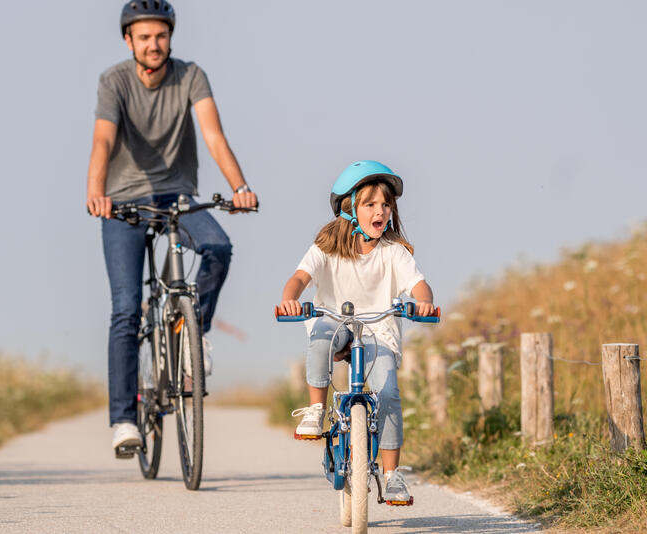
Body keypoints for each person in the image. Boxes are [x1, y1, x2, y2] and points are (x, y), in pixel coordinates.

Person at [86, 0, 258, 454]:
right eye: (144, 37)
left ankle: (190, 332)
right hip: (122, 202)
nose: (153, 44)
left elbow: (214, 136)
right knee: (126, 308)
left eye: (160, 36)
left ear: (170, 38)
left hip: (177, 196)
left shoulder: (191, 76)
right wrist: (96, 190)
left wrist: (239, 187)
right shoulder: (114, 81)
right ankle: (124, 419)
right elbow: (103, 138)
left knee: (218, 248)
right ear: (129, 41)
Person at [276, 160, 434, 504]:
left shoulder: (394, 253)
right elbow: (301, 277)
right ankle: (316, 410)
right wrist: (290, 298)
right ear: (350, 210)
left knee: (389, 393)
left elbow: (419, 285)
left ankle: (392, 475)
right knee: (322, 336)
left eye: (386, 204)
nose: (381, 210)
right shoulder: (327, 248)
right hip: (336, 321)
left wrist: (423, 303)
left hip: (379, 332)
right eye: (371, 204)